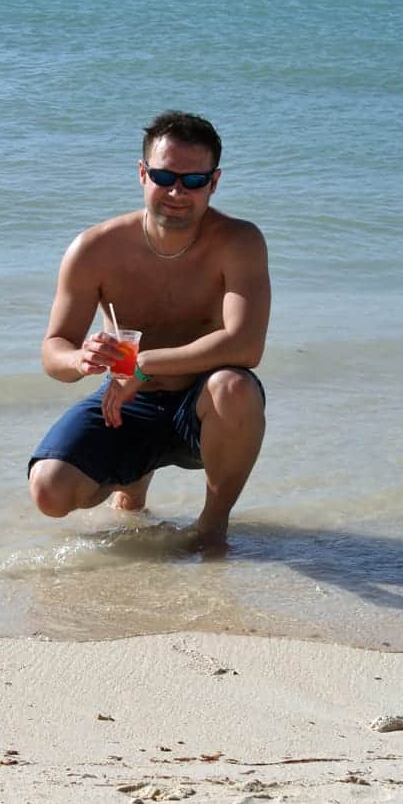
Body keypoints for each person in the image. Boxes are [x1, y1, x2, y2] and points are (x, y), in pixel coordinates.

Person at [27, 110, 270, 547]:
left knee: (236, 387)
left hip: (202, 402)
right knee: (49, 489)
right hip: (125, 402)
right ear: (142, 174)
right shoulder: (95, 248)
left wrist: (144, 365)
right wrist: (78, 358)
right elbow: (53, 351)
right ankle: (132, 477)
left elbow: (246, 345)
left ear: (214, 183)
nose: (178, 191)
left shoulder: (238, 242)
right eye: (164, 176)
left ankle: (212, 528)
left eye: (194, 181)